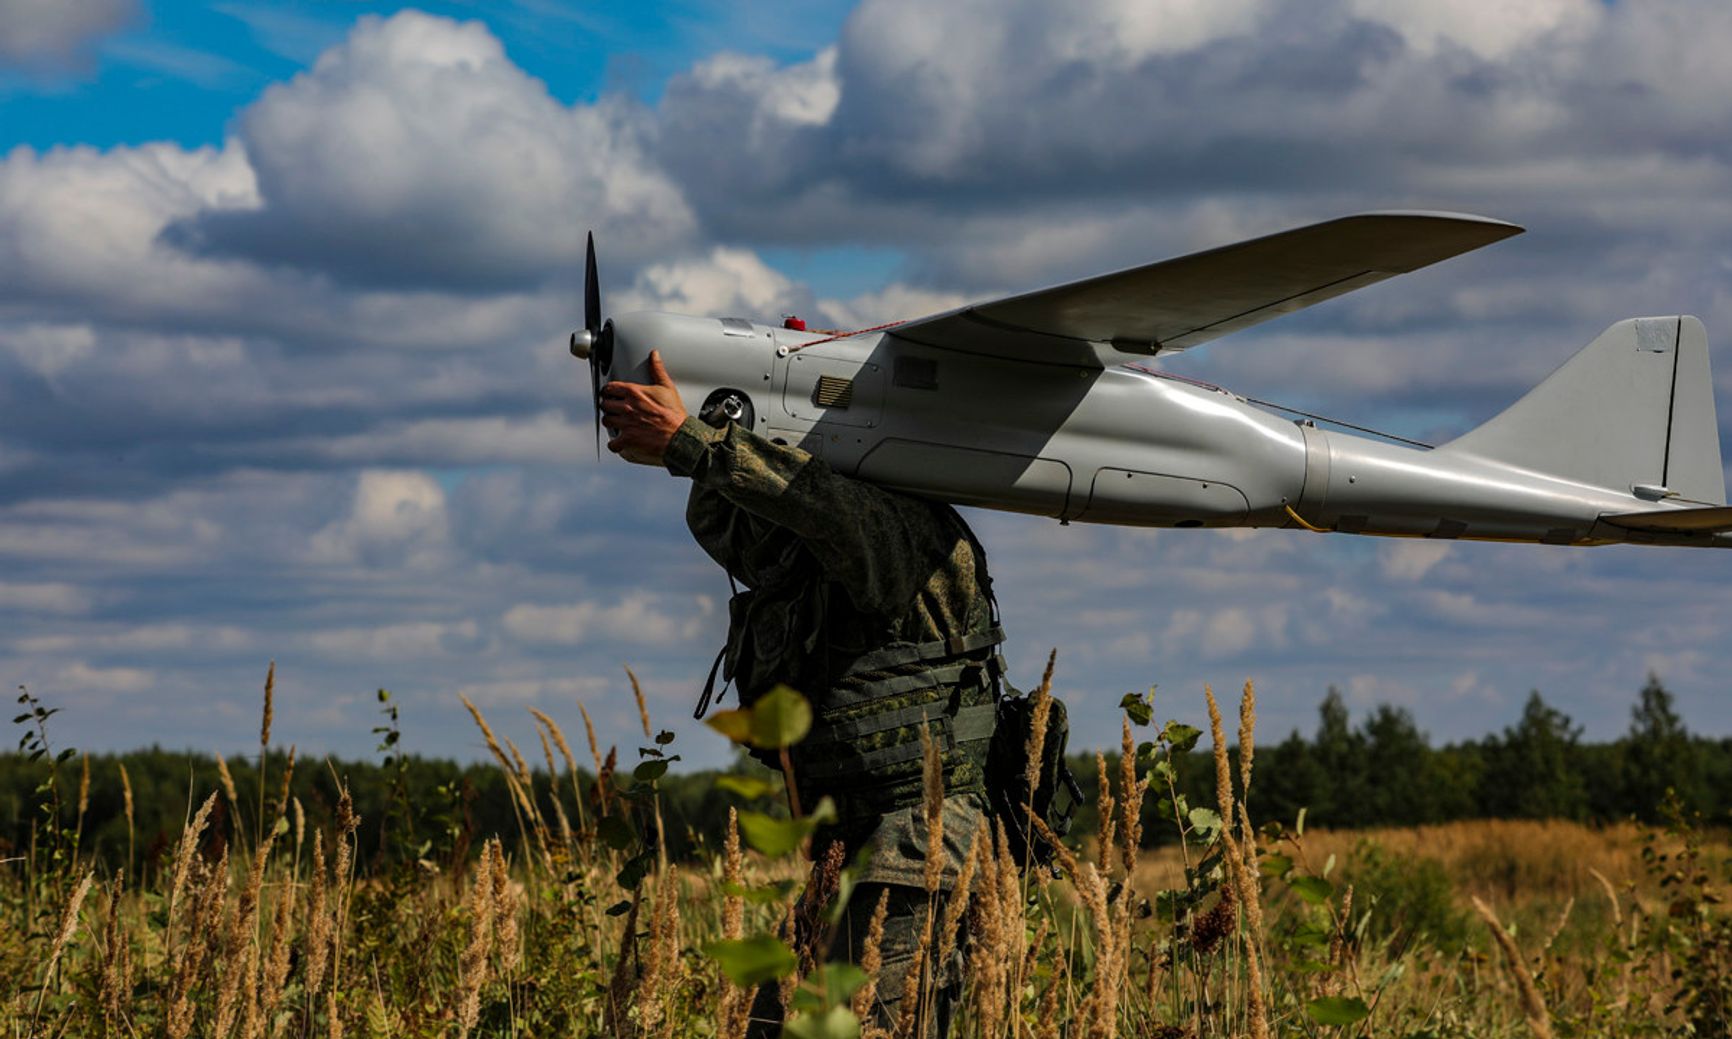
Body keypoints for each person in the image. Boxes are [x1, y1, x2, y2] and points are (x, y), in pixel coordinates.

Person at [601, 351, 1007, 1037]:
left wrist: (696, 445)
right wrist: (698, 435)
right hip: (861, 852)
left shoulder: (908, 533)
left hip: (916, 855)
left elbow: (825, 508)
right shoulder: (829, 556)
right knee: (772, 1025)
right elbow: (746, 533)